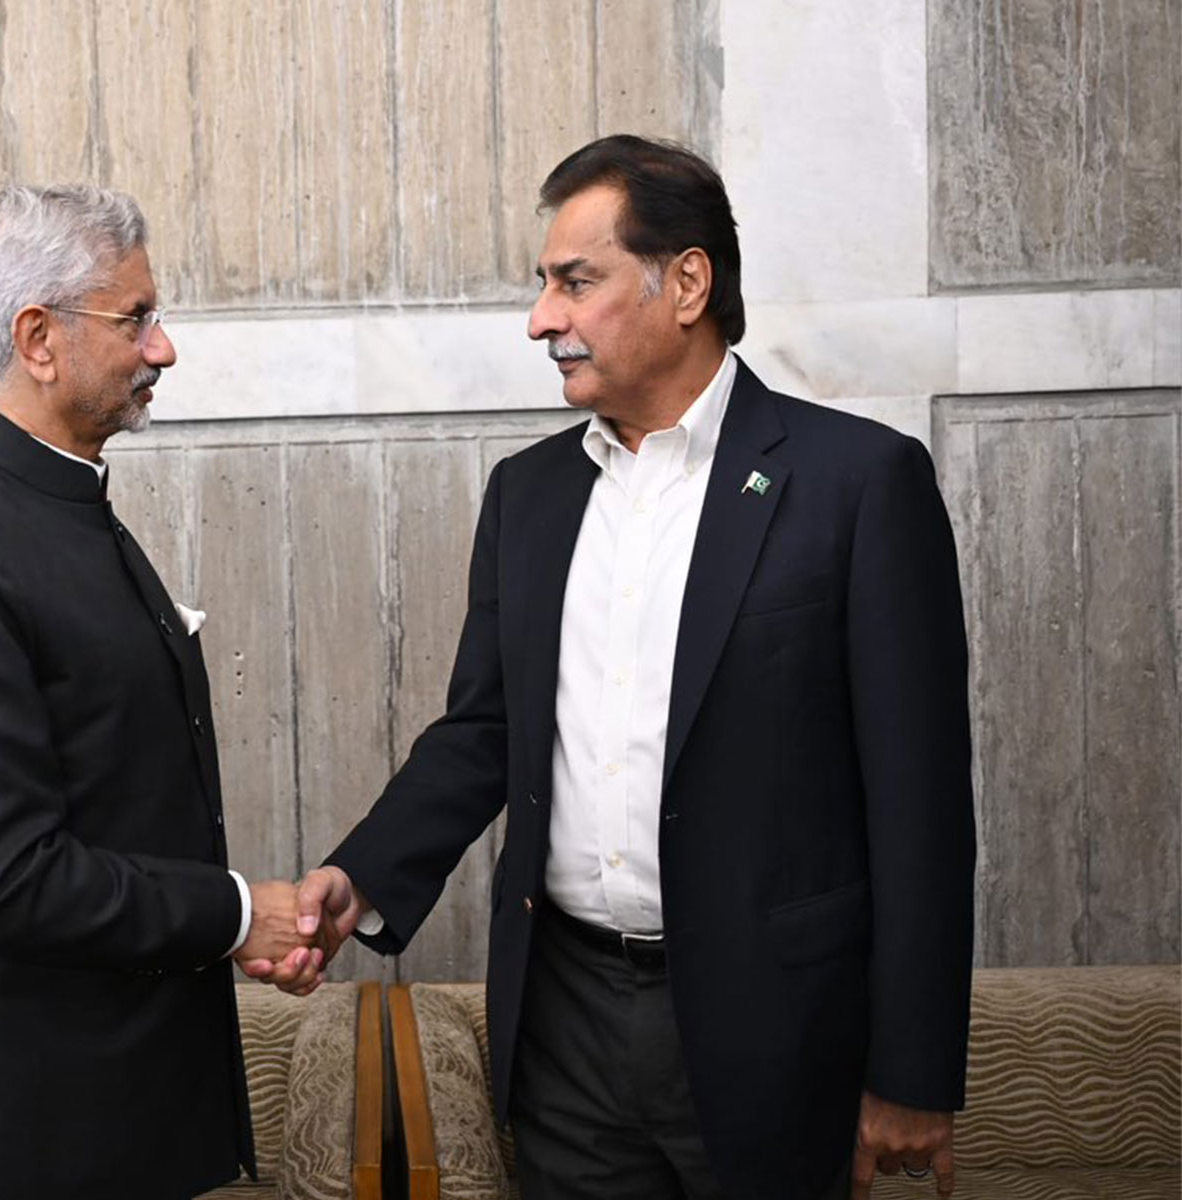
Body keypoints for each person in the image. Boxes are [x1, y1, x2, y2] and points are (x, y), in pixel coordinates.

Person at [273, 136, 976, 1200]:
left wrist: (914, 1071)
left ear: (685, 282)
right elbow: (484, 732)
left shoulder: (858, 484)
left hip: (773, 1037)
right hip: (565, 1032)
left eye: (574, 282)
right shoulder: (530, 495)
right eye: (543, 286)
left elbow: (920, 803)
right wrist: (358, 873)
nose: (540, 319)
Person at [0, 184, 321, 1200]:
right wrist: (236, 914)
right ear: (38, 337)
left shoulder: (68, 512)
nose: (163, 348)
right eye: (135, 317)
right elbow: (5, 877)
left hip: (106, 1108)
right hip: (20, 1133)